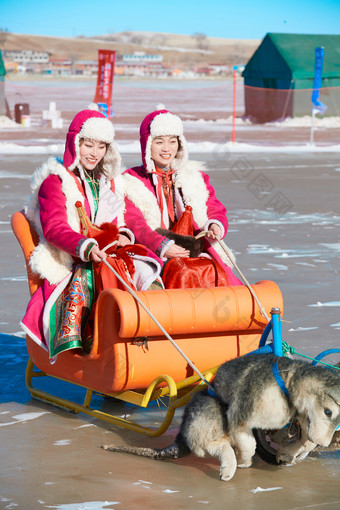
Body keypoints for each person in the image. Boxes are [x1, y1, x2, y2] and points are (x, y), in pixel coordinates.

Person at [21, 106, 162, 359]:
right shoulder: (55, 182)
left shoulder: (107, 182)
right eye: (88, 145)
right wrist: (85, 246)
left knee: (147, 270)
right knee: (101, 277)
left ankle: (146, 336)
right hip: (73, 259)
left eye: (101, 146)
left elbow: (123, 220)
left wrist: (123, 235)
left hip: (110, 252)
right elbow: (55, 228)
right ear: (75, 142)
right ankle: (102, 346)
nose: (94, 153)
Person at [123, 106, 243, 288]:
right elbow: (135, 223)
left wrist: (214, 225)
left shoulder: (194, 177)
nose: (166, 149)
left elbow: (214, 208)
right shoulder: (130, 181)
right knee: (177, 274)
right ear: (147, 144)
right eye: (159, 142)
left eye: (172, 141)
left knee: (213, 272)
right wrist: (162, 245)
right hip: (152, 249)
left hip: (192, 247)